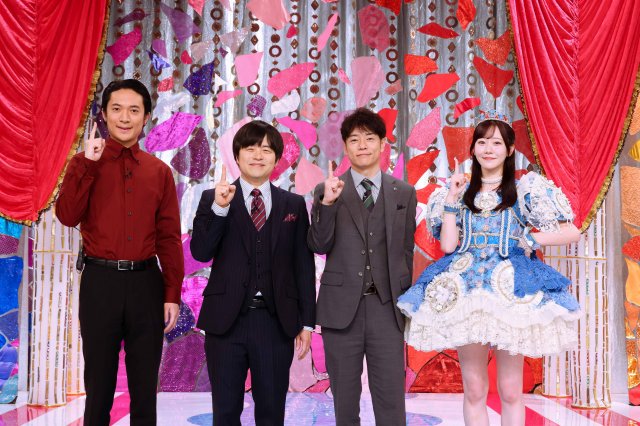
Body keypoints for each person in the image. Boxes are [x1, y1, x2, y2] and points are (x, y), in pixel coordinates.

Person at [397, 109, 582, 426]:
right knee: (474, 387)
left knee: (510, 389)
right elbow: (448, 246)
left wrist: (532, 239)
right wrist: (452, 198)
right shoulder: (456, 193)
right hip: (467, 290)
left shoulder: (525, 190)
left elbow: (571, 231)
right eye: (482, 142)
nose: (488, 149)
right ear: (473, 149)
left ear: (509, 150)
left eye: (496, 143)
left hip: (511, 291)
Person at [55, 79, 184, 425]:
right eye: (116, 109)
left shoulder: (159, 172)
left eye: (134, 110)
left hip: (146, 284)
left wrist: (171, 293)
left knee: (144, 388)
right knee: (98, 387)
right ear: (104, 114)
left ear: (146, 117)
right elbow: (67, 216)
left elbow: (169, 238)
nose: (125, 118)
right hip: (100, 282)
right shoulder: (83, 163)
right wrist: (88, 165)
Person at [190, 120, 316, 426]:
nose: (258, 155)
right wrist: (220, 208)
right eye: (250, 148)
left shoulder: (293, 204)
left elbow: (303, 265)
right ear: (237, 155)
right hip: (225, 321)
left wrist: (307, 322)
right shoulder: (213, 198)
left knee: (271, 412)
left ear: (277, 158)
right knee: (225, 411)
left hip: (275, 322)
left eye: (266, 149)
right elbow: (201, 252)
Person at [308, 108, 417, 426]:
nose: (362, 145)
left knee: (391, 399)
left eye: (369, 138)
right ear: (345, 147)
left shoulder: (404, 193)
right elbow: (318, 244)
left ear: (383, 144)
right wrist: (327, 204)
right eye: (354, 140)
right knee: (344, 400)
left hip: (387, 309)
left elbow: (406, 251)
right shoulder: (328, 190)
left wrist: (404, 302)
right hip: (341, 309)